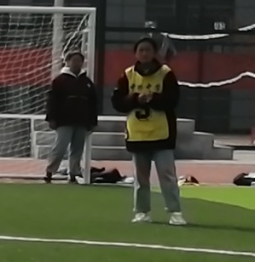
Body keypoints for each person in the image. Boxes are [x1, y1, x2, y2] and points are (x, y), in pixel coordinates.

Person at [111, 34, 186, 226]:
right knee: (141, 178)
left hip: (162, 133)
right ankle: (142, 212)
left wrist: (153, 98)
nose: (144, 53)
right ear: (135, 53)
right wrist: (136, 99)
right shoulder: (127, 74)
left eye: (148, 50)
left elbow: (173, 100)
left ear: (154, 53)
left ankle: (175, 211)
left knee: (167, 175)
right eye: (141, 50)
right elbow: (118, 103)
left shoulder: (166, 73)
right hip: (137, 134)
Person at [44, 49, 99, 183]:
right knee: (60, 147)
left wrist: (93, 121)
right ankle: (50, 170)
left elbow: (93, 102)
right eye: (74, 60)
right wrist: (51, 118)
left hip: (82, 120)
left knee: (77, 148)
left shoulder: (87, 82)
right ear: (67, 62)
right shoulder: (59, 80)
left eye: (79, 61)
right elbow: (52, 101)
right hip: (64, 120)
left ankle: (74, 172)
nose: (77, 63)